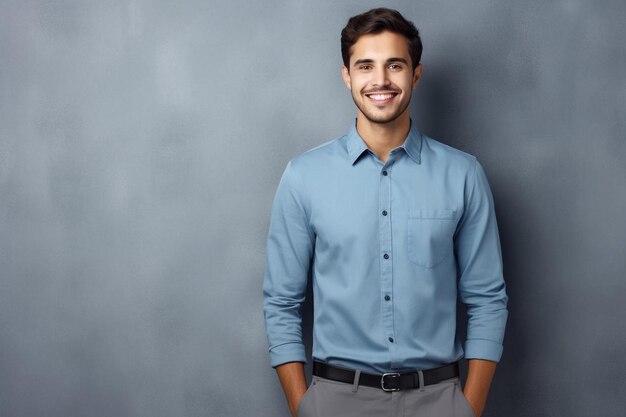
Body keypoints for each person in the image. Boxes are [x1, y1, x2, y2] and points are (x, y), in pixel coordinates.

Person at [263, 7, 508, 417]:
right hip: (335, 401)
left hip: (439, 402)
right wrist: (303, 406)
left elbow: (487, 300)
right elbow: (281, 303)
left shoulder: (463, 174)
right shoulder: (304, 177)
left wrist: (469, 408)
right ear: (347, 76)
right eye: (365, 66)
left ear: (416, 74)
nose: (380, 80)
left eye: (395, 65)